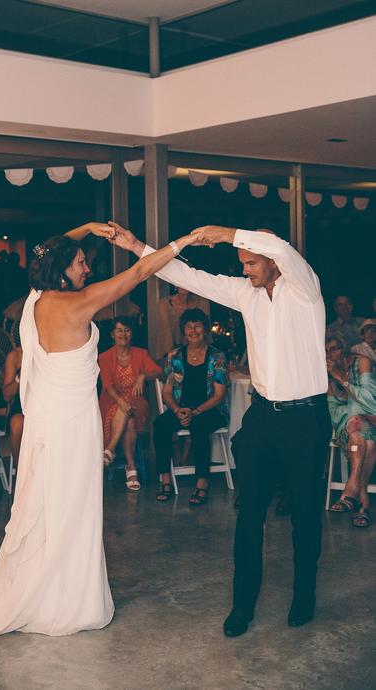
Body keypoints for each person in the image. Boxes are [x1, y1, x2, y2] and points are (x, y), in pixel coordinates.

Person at [0, 221, 199, 639]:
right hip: (72, 422)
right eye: (80, 264)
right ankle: (68, 601)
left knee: (48, 504)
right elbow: (140, 272)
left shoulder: (36, 300)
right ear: (62, 270)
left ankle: (46, 589)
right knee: (74, 506)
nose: (86, 269)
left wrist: (88, 230)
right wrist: (184, 241)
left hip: (47, 421)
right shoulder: (79, 304)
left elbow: (48, 247)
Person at [111, 221, 331, 636]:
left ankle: (305, 596)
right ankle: (242, 606)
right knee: (249, 514)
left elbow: (280, 246)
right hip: (264, 416)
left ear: (270, 260)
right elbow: (185, 275)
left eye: (250, 262)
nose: (245, 269)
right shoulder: (244, 294)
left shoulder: (305, 288)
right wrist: (138, 247)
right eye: (242, 263)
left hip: (306, 418)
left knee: (305, 515)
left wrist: (225, 232)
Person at [154, 308, 228, 506]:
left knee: (198, 426)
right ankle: (165, 479)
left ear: (205, 330)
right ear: (183, 331)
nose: (193, 331)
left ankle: (202, 482)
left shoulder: (217, 356)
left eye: (198, 326)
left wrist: (195, 412)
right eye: (188, 327)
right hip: (182, 409)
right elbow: (167, 392)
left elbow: (219, 396)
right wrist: (177, 410)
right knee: (160, 424)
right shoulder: (174, 356)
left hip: (210, 410)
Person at [99, 316, 162, 491]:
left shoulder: (141, 354)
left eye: (127, 330)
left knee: (130, 410)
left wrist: (142, 376)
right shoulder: (104, 357)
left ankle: (109, 450)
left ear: (131, 333)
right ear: (112, 334)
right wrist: (120, 402)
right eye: (119, 330)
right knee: (130, 420)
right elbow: (107, 385)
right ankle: (131, 466)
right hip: (111, 401)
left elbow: (158, 371)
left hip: (137, 402)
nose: (123, 334)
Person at [326, 336, 376, 527]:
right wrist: (356, 416)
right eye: (326, 351)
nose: (330, 355)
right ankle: (362, 503)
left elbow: (371, 401)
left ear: (345, 348)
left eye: (334, 349)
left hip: (372, 419)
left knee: (357, 414)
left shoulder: (361, 362)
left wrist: (341, 379)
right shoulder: (326, 374)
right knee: (365, 438)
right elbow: (333, 411)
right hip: (355, 428)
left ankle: (351, 490)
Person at [156, 287, 211, 360]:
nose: (183, 285)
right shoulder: (164, 304)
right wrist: (171, 358)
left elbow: (205, 331)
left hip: (198, 350)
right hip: (173, 353)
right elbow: (165, 335)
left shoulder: (203, 302)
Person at [2, 338, 24, 472]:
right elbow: (6, 395)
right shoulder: (15, 355)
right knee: (17, 423)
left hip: (47, 403)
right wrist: (19, 378)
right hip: (23, 405)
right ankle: (20, 472)